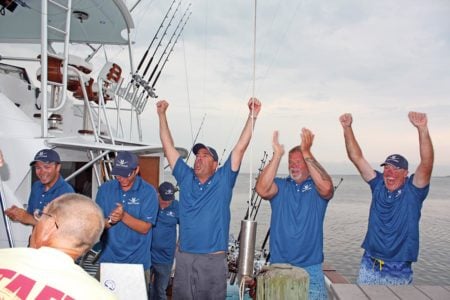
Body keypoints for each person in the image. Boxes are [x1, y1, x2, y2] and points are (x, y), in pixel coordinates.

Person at [156, 97, 261, 299]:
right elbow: (168, 146)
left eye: (205, 156)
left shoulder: (223, 179)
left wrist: (252, 116)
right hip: (185, 258)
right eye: (197, 155)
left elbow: (240, 147)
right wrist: (162, 115)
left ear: (215, 164)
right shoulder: (186, 177)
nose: (199, 159)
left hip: (212, 260)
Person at [339, 112, 434, 285]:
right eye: (387, 168)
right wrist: (347, 128)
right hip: (369, 263)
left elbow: (427, 163)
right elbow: (356, 157)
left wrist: (422, 129)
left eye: (396, 169)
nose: (389, 173)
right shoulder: (378, 185)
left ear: (406, 173)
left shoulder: (413, 191)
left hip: (398, 268)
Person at [255, 129, 334, 300]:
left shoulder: (316, 188)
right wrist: (277, 155)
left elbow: (328, 188)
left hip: (310, 268)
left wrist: (307, 152)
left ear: (307, 164)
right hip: (279, 267)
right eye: (291, 162)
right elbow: (261, 189)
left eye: (299, 162)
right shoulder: (281, 186)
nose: (293, 165)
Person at [0, 193, 116, 299]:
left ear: (49, 226)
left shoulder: (4, 258)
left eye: (40, 215)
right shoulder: (101, 296)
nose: (37, 221)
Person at [95, 151, 158, 288]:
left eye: (126, 174)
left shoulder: (149, 192)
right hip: (108, 261)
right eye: (118, 174)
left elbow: (145, 228)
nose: (121, 178)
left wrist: (123, 216)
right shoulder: (105, 189)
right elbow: (97, 224)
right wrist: (111, 220)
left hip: (137, 264)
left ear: (136, 170)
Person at [5, 148, 74, 227]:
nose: (42, 172)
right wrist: (18, 215)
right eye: (38, 168)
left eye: (47, 167)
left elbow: (62, 228)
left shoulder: (67, 192)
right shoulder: (36, 186)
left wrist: (26, 217)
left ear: (57, 167)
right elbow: (30, 218)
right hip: (35, 239)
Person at [149, 181, 179, 300]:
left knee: (160, 290)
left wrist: (180, 244)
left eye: (168, 201)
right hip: (147, 255)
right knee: (145, 287)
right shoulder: (150, 203)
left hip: (165, 257)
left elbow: (187, 227)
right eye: (163, 200)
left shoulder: (177, 206)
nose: (166, 204)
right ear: (158, 195)